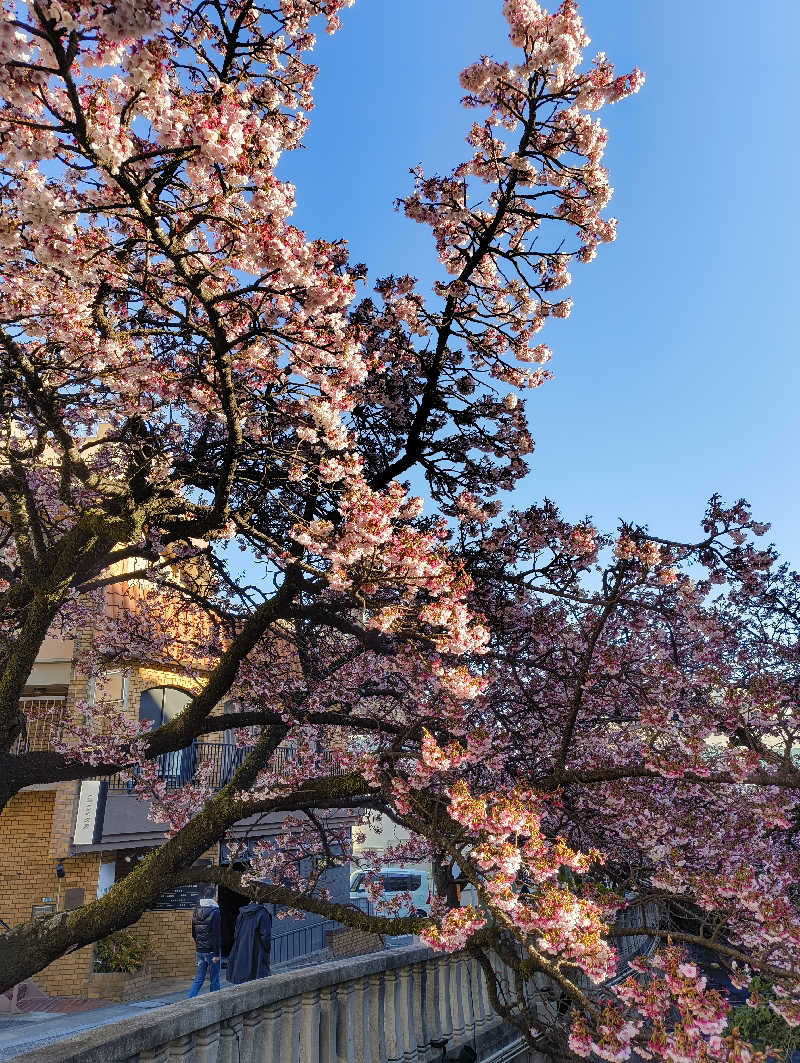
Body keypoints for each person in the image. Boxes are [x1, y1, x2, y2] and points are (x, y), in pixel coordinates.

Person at [227, 900, 272, 984]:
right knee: (258, 979)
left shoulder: (242, 913)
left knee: (243, 978)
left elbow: (236, 932)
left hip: (241, 946)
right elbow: (265, 935)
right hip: (257, 949)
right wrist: (267, 948)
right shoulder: (263, 913)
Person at [188, 885, 222, 997]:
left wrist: (199, 945)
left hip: (199, 950)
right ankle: (215, 1001)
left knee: (199, 978)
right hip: (211, 951)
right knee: (214, 979)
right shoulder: (215, 911)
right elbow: (216, 934)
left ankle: (189, 1000)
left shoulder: (196, 911)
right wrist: (216, 953)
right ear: (213, 896)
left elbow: (194, 933)